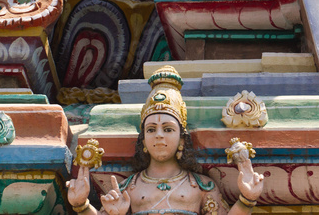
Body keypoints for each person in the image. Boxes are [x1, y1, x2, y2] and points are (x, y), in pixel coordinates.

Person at [66, 66, 265, 215]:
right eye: (151, 129)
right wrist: (81, 205)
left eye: (168, 129)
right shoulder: (128, 188)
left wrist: (247, 199)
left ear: (181, 139)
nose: (159, 135)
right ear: (143, 140)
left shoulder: (202, 186)